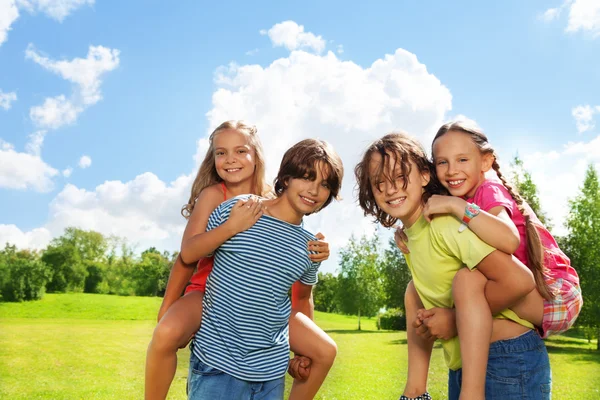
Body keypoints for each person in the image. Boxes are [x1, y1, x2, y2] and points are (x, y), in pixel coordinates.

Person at [145, 122, 336, 400]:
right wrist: (168, 306)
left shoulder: (276, 199)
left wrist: (317, 251)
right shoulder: (214, 195)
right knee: (167, 333)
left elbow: (290, 273)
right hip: (208, 290)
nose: (231, 159)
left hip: (263, 305)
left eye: (240, 151)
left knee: (323, 350)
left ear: (257, 156)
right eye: (221, 153)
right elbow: (186, 257)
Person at [354, 132, 551, 400]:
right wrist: (414, 392)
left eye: (400, 177)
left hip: (507, 358)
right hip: (465, 365)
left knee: (465, 280)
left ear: (424, 176)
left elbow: (519, 281)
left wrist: (453, 320)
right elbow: (421, 306)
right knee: (413, 291)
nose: (391, 189)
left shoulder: (445, 224)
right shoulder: (412, 236)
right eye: (380, 183)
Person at [401, 121, 582, 398]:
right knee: (444, 283)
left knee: (466, 281)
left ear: (486, 161)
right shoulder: (459, 197)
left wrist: (457, 206)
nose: (452, 170)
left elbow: (509, 239)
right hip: (534, 300)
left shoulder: (488, 191)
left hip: (558, 294)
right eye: (442, 162)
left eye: (463, 159)